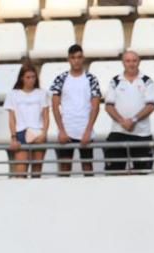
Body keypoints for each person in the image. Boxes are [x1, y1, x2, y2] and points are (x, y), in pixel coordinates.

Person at [50, 44, 101, 176]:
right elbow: (55, 106)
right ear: (69, 59)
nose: (76, 61)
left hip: (85, 130)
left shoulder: (91, 79)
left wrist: (88, 130)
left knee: (88, 167)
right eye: (73, 58)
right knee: (65, 168)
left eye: (79, 57)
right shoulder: (61, 78)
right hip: (67, 131)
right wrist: (61, 130)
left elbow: (96, 106)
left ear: (83, 58)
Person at [104, 50, 154, 174]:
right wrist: (122, 121)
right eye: (128, 61)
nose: (131, 64)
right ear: (123, 63)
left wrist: (133, 120)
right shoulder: (115, 81)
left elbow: (151, 105)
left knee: (142, 172)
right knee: (113, 172)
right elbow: (109, 106)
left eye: (134, 60)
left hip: (141, 134)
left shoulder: (147, 81)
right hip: (118, 132)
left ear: (139, 62)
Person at [4, 62, 49, 178]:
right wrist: (13, 137)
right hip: (21, 133)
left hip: (38, 132)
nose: (31, 80)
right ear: (22, 78)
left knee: (36, 172)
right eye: (28, 77)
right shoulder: (13, 94)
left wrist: (44, 133)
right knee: (20, 173)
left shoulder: (42, 93)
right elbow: (12, 118)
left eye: (33, 77)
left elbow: (45, 116)